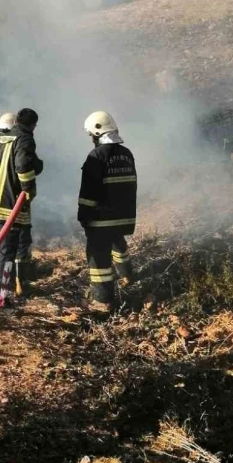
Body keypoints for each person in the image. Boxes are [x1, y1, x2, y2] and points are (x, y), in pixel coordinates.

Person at [0, 108, 43, 315]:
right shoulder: (23, 139)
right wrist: (28, 190)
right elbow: (23, 167)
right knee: (7, 255)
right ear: (32, 125)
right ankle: (1, 303)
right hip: (9, 209)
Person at [78, 111, 137, 314]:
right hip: (124, 217)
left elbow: (88, 192)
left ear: (97, 132)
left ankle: (102, 301)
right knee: (117, 242)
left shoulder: (96, 156)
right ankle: (127, 275)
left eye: (92, 135)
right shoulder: (126, 154)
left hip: (102, 219)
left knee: (98, 257)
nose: (92, 140)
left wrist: (84, 216)